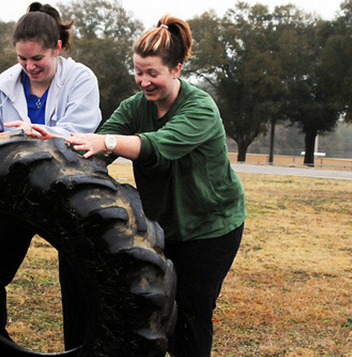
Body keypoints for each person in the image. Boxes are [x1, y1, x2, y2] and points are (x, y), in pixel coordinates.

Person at [57, 15, 246, 357]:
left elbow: (158, 146)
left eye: (152, 73)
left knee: (189, 313)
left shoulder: (200, 108)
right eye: (138, 71)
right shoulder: (135, 107)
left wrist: (109, 143)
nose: (143, 81)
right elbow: (97, 144)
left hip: (210, 229)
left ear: (176, 69)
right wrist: (55, 142)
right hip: (161, 228)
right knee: (152, 310)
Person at [0, 2, 102, 349]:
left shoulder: (81, 79)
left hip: (71, 193)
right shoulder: (3, 86)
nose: (29, 67)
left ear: (57, 47)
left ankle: (76, 347)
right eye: (22, 59)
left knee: (75, 281)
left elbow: (79, 132)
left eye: (37, 59)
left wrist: (38, 132)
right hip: (20, 192)